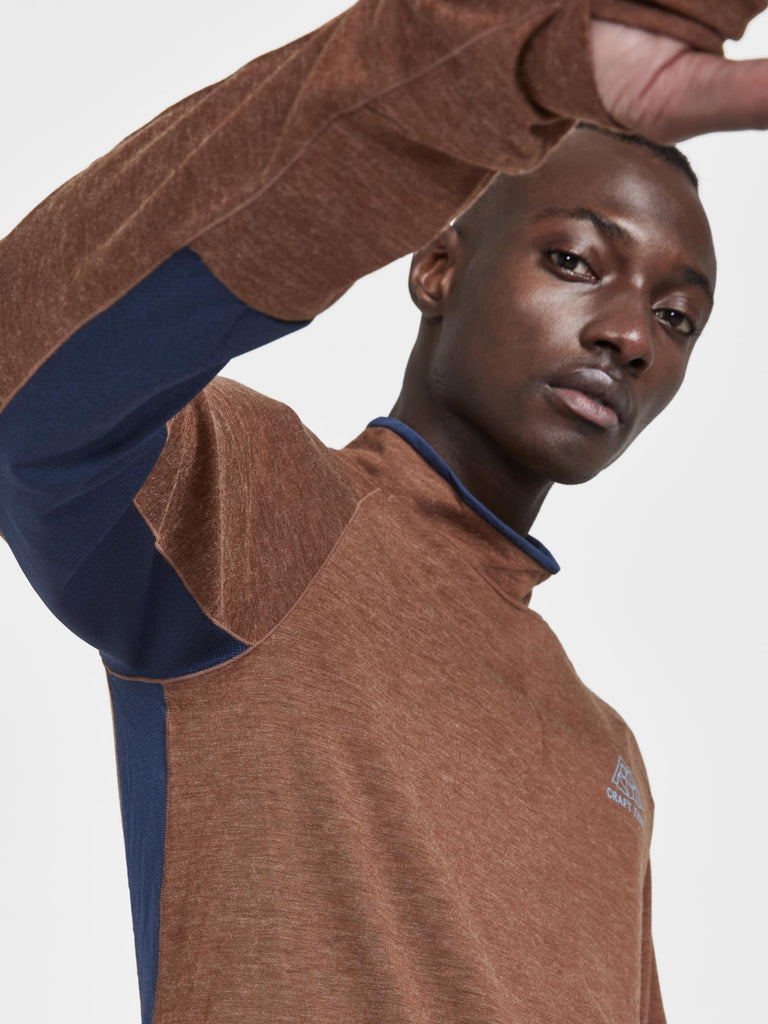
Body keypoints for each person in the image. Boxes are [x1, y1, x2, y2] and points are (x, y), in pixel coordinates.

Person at [0, 2, 766, 1022]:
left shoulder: (608, 752)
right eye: (576, 261)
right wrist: (494, 66)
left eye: (677, 317)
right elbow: (28, 367)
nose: (631, 335)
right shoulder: (265, 510)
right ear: (436, 266)